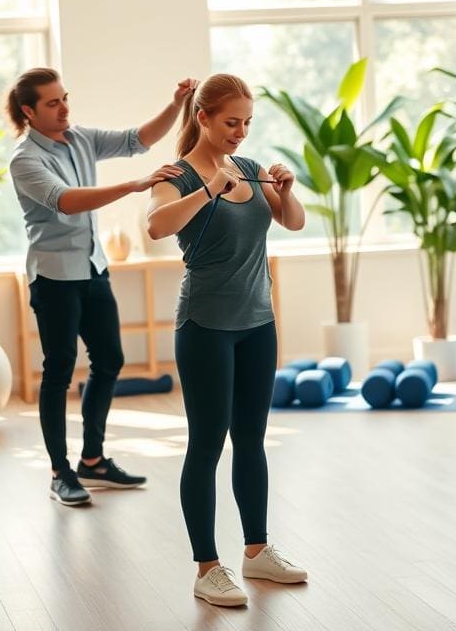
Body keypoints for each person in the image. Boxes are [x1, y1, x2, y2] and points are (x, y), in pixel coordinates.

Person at [146, 73, 309, 607]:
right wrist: (208, 190)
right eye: (230, 122)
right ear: (204, 118)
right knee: (207, 443)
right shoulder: (179, 174)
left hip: (258, 324)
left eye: (246, 122)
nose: (240, 132)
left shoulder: (252, 169)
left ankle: (256, 551)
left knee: (252, 440)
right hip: (205, 327)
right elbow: (156, 225)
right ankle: (206, 567)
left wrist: (286, 192)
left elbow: (294, 222)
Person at [7, 67, 193, 506]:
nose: (64, 107)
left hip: (93, 269)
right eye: (52, 103)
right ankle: (60, 471)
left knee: (110, 359)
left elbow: (138, 140)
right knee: (58, 371)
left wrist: (176, 105)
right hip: (54, 277)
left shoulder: (81, 138)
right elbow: (66, 201)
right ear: (28, 112)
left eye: (65, 97)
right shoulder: (25, 160)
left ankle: (93, 460)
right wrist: (133, 186)